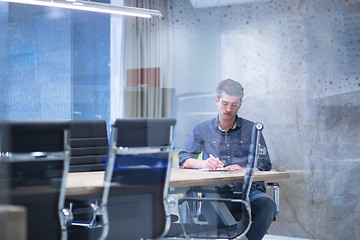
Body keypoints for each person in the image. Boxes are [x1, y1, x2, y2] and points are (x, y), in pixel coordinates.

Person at [178, 79, 276, 240]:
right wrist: (204, 163)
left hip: (249, 190)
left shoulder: (253, 129)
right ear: (216, 101)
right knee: (214, 209)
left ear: (241, 104)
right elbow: (184, 158)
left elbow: (264, 164)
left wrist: (245, 170)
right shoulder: (202, 129)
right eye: (224, 103)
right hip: (215, 191)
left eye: (234, 104)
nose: (229, 109)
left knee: (267, 205)